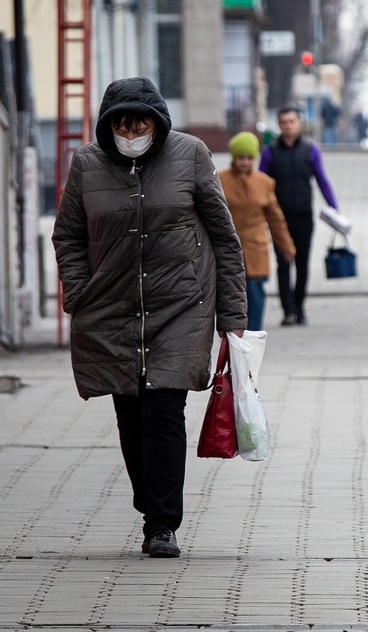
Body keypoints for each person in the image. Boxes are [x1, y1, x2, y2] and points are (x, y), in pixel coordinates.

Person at [53, 77, 248, 558]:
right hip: (112, 309)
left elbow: (224, 237)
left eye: (140, 121)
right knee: (130, 414)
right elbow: (69, 237)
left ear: (158, 121)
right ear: (107, 125)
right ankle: (150, 501)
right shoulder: (86, 165)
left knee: (163, 411)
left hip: (179, 307)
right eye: (122, 122)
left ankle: (162, 524)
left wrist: (233, 314)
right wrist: (79, 293)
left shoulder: (191, 154)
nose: (131, 130)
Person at [259, 105, 339, 326]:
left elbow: (322, 179)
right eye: (284, 122)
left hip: (304, 215)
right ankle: (288, 311)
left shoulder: (310, 150)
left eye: (291, 121)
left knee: (302, 264)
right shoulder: (270, 152)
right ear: (279, 125)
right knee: (283, 264)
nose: (288, 126)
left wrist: (333, 205)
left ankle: (300, 307)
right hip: (279, 219)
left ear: (299, 123)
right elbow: (260, 183)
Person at [219, 131, 296, 331]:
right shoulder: (219, 180)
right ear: (233, 157)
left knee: (255, 293)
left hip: (256, 248)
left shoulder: (264, 183)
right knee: (231, 295)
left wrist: (286, 245)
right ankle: (234, 336)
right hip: (228, 249)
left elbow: (275, 218)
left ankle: (252, 337)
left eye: (249, 158)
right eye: (240, 157)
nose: (244, 162)